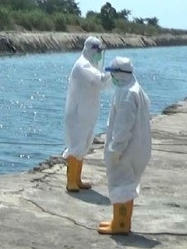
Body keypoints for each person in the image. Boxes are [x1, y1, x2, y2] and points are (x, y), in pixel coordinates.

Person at [97, 57, 151, 235]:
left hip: (126, 150)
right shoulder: (133, 88)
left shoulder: (127, 94)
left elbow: (123, 125)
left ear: (118, 73)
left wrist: (116, 148)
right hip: (136, 148)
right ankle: (121, 221)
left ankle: (120, 225)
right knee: (127, 185)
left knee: (122, 186)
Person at [63, 36, 111, 192]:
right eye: (97, 51)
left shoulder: (92, 65)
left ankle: (77, 179)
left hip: (87, 112)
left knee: (84, 144)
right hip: (77, 113)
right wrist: (115, 72)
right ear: (90, 49)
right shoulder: (82, 65)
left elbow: (101, 85)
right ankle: (71, 181)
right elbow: (100, 79)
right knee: (76, 144)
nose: (99, 54)